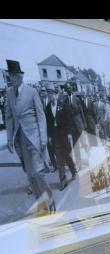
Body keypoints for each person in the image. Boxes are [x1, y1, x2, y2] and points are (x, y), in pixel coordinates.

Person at [4, 59, 55, 213]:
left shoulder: (31, 91)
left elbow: (41, 116)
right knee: (31, 175)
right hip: (20, 140)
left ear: (19, 76)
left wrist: (43, 137)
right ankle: (43, 204)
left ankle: (50, 203)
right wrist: (9, 139)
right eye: (9, 76)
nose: (10, 78)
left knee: (39, 173)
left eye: (12, 76)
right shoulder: (8, 93)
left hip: (34, 138)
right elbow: (9, 117)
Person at [44, 87, 76, 191]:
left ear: (56, 95)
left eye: (52, 94)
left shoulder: (62, 105)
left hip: (64, 134)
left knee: (67, 155)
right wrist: (49, 136)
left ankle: (73, 170)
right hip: (55, 136)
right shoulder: (48, 108)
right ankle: (63, 181)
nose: (50, 96)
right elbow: (48, 123)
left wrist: (70, 133)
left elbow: (69, 119)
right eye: (49, 95)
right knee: (59, 158)